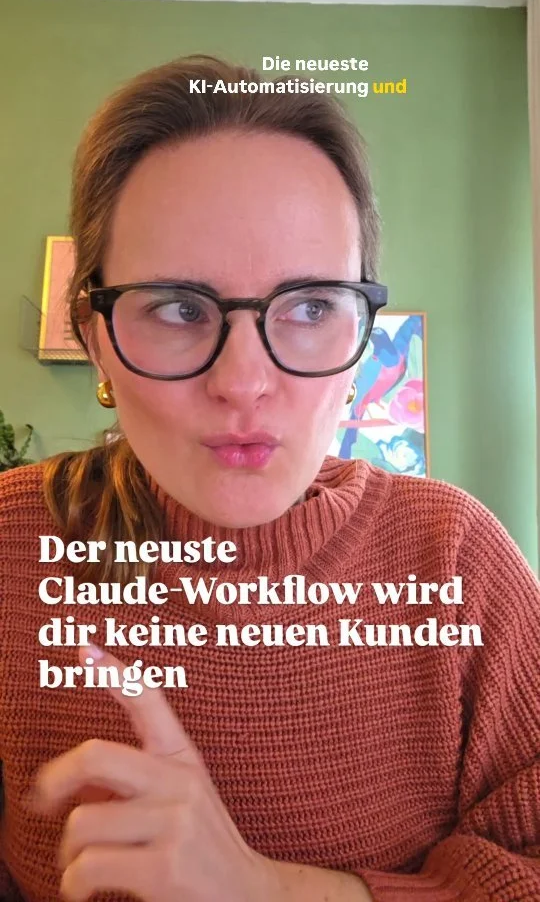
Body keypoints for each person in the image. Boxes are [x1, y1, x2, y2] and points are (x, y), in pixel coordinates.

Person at [0, 54, 538, 902]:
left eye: (311, 306)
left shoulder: (457, 562)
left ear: (360, 336)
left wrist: (272, 889)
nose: (245, 381)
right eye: (179, 307)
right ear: (96, 337)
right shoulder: (12, 550)